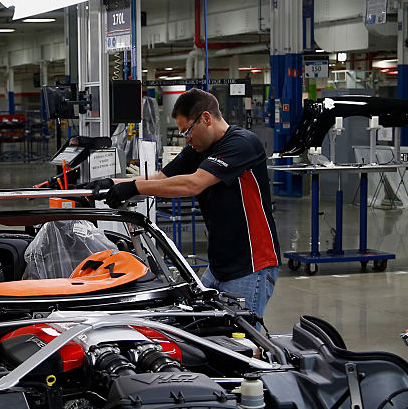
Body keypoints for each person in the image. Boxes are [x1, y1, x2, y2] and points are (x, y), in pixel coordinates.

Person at [99, 88, 280, 318]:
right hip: (219, 265)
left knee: (242, 343)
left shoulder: (242, 143)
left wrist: (133, 188)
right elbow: (160, 179)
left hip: (251, 266)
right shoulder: (197, 149)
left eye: (188, 131)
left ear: (206, 118)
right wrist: (108, 184)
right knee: (204, 329)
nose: (187, 138)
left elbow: (194, 184)